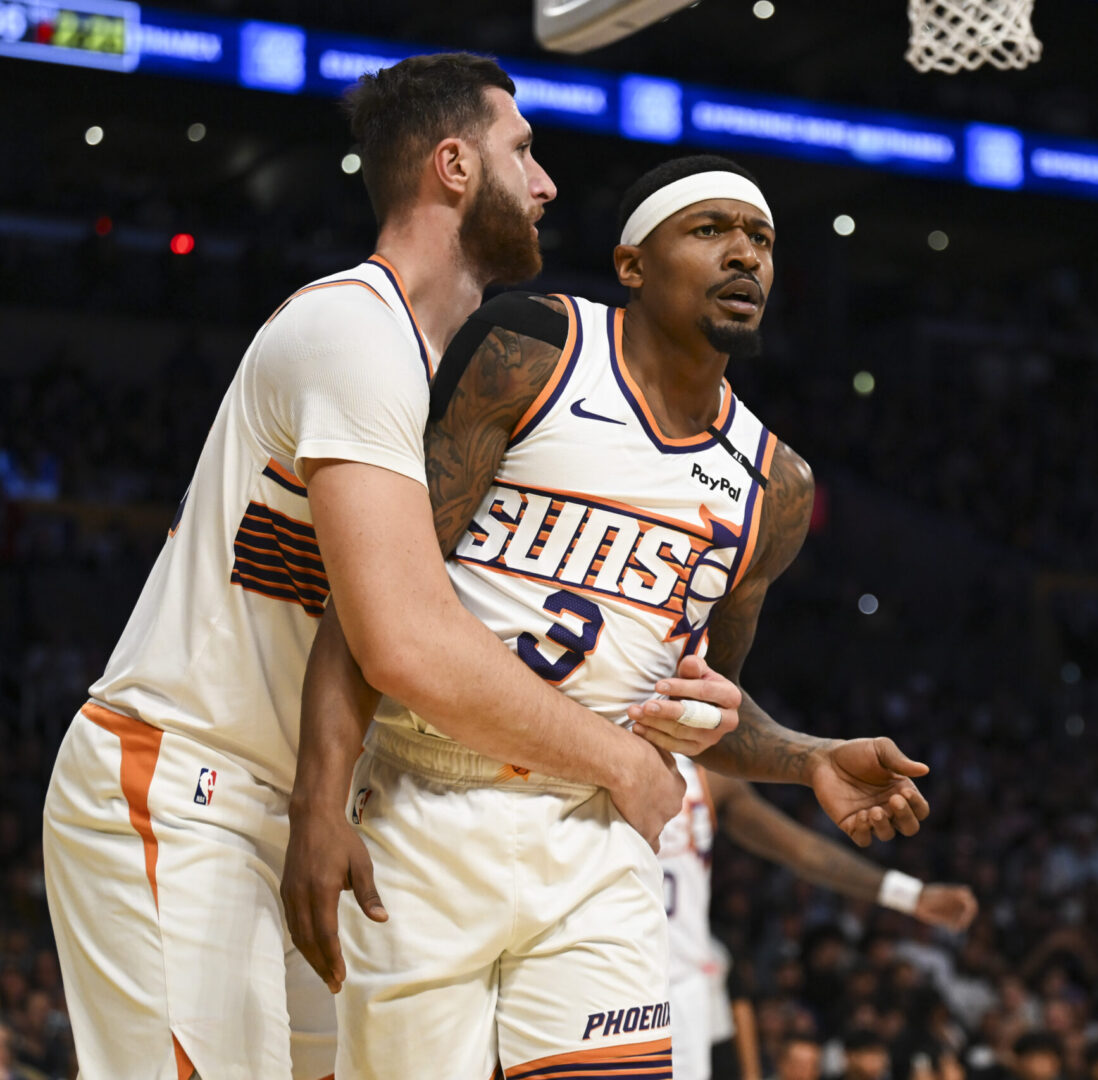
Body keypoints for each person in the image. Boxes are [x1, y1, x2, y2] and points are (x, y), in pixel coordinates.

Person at [40, 53, 741, 1080]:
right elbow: (409, 644)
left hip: (312, 811)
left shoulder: (465, 384)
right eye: (523, 151)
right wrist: (621, 760)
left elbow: (524, 627)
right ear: (453, 167)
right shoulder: (353, 330)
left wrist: (685, 697)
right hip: (187, 784)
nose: (546, 185)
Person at [291, 153, 933, 1078]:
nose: (745, 256)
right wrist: (318, 800)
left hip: (599, 833)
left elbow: (703, 707)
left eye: (761, 239)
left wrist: (811, 758)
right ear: (632, 263)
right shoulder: (535, 349)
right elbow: (373, 596)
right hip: (422, 802)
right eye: (710, 231)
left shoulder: (775, 486)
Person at [662, 755, 977, 1080]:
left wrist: (911, 895)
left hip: (683, 984)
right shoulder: (608, 754)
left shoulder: (706, 778)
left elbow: (803, 850)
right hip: (615, 968)